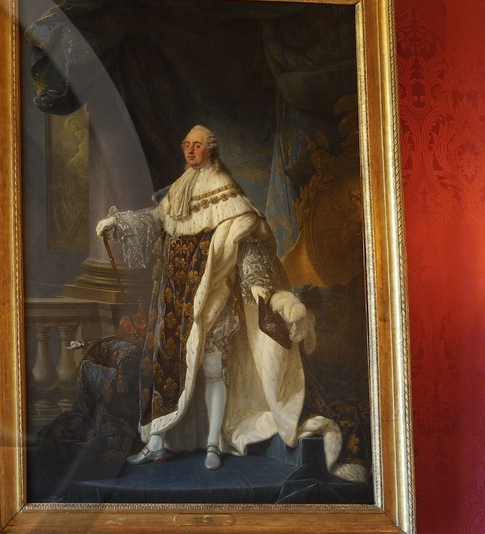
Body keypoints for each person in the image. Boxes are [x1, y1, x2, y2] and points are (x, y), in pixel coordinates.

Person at [95, 125, 338, 472]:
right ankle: (157, 442)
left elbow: (246, 240)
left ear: (212, 150)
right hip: (172, 299)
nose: (190, 151)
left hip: (213, 296)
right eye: (186, 145)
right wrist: (118, 223)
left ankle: (213, 445)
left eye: (197, 146)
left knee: (212, 369)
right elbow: (156, 220)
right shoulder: (180, 187)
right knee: (163, 369)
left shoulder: (228, 193)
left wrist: (255, 282)